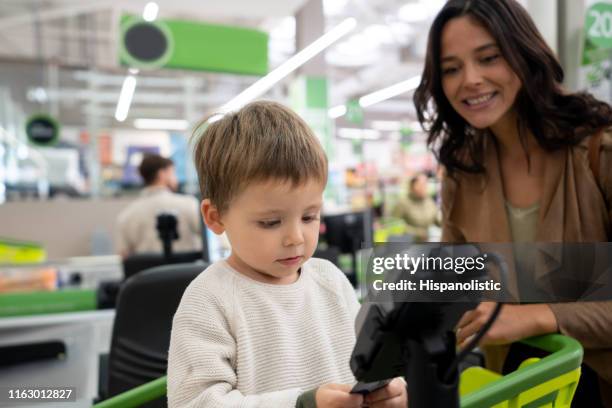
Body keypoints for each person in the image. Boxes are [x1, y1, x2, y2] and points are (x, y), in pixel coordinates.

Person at [413, 0, 612, 405]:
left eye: (489, 58)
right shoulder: (461, 172)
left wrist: (536, 316)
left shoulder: (598, 151)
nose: (470, 79)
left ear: (523, 53)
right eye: (451, 68)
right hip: (519, 387)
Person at [167, 101, 407, 408]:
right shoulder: (209, 299)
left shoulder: (330, 279)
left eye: (309, 217)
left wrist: (391, 391)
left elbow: (363, 366)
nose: (296, 238)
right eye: (270, 222)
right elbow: (196, 403)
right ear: (215, 217)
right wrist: (302, 403)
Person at [116, 154, 201, 258]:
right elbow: (211, 242)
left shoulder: (127, 215)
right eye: (173, 173)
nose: (176, 179)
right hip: (189, 273)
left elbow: (124, 255)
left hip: (147, 274)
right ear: (162, 174)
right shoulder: (189, 204)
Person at [391, 172, 439, 241]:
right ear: (412, 185)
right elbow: (394, 226)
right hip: (409, 245)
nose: (424, 187)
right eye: (421, 184)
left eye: (426, 184)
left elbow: (437, 220)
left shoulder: (429, 200)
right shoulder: (402, 203)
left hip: (427, 242)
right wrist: (418, 233)